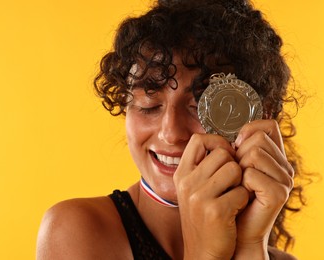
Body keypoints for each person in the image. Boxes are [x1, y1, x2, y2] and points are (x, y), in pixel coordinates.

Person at [37, 0, 308, 259]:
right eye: (149, 104)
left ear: (260, 115)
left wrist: (250, 247)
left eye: (199, 105)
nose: (171, 133)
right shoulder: (76, 231)